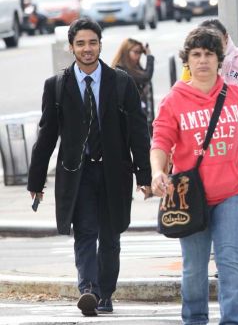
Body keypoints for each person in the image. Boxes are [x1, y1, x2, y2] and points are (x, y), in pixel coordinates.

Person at [150, 26, 238, 325]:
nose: (203, 60)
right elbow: (160, 142)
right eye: (196, 55)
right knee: (194, 268)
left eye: (209, 54)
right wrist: (158, 171)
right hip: (190, 196)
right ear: (187, 60)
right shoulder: (174, 100)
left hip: (233, 193)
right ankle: (195, 319)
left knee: (230, 262)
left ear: (219, 59)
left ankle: (233, 320)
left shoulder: (236, 97)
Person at [27, 18, 152, 316]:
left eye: (92, 42)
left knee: (110, 235)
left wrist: (144, 176)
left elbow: (138, 133)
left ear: (100, 45)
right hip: (77, 174)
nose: (87, 49)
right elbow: (46, 136)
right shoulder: (57, 86)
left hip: (114, 173)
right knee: (84, 232)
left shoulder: (121, 82)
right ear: (71, 47)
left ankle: (105, 293)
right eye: (80, 43)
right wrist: (36, 181)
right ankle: (88, 290)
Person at [181, 18, 238, 281]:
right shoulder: (193, 67)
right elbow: (184, 97)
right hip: (206, 143)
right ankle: (224, 261)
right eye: (201, 49)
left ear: (226, 38)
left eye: (214, 45)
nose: (207, 55)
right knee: (206, 202)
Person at [111, 37, 155, 122]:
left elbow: (145, 76)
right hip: (127, 116)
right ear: (126, 52)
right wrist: (149, 56)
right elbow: (146, 77)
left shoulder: (135, 67)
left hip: (139, 111)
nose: (138, 56)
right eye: (136, 52)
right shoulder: (121, 69)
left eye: (140, 53)